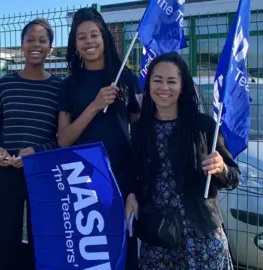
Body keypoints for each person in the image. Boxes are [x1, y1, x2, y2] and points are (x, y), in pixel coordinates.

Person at [126, 52, 240, 269]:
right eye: (158, 80)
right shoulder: (140, 129)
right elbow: (134, 171)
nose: (164, 87)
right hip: (158, 236)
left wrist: (222, 168)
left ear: (182, 87)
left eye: (172, 81)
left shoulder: (204, 126)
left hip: (201, 236)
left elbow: (234, 177)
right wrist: (131, 193)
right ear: (149, 84)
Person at [56, 7, 141, 268]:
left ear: (105, 38)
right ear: (75, 44)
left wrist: (136, 189)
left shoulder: (127, 79)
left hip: (123, 180)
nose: (89, 42)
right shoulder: (68, 85)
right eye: (82, 37)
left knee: (123, 254)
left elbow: (141, 138)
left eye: (95, 35)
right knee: (91, 255)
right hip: (82, 183)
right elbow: (63, 140)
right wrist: (94, 105)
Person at [0, 18, 62, 270]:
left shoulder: (59, 88)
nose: (35, 45)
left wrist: (37, 152)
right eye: (30, 39)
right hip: (8, 173)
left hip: (42, 176)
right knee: (4, 239)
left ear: (50, 49)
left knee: (40, 239)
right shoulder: (5, 84)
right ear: (21, 46)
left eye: (42, 40)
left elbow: (62, 138)